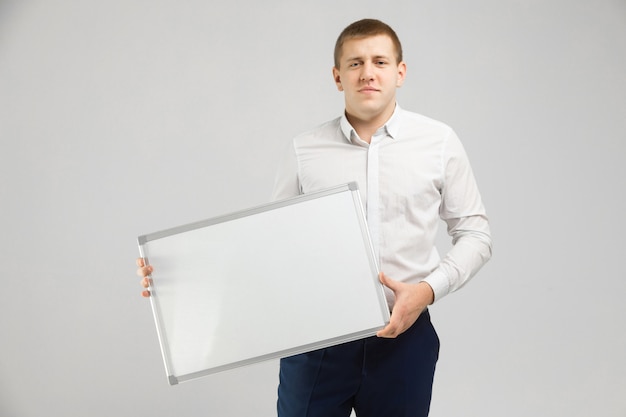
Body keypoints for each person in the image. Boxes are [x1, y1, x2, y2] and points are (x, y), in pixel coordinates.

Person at [137, 18, 492, 417]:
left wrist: (425, 292)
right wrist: (177, 278)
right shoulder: (304, 150)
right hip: (315, 345)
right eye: (355, 63)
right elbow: (267, 246)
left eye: (379, 61)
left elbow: (476, 235)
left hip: (406, 341)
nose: (368, 73)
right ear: (337, 76)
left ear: (400, 72)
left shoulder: (439, 143)